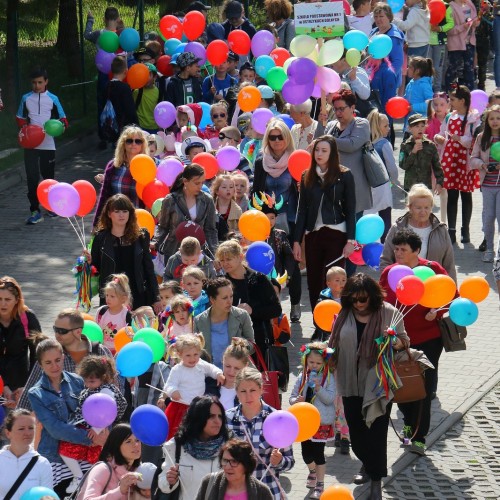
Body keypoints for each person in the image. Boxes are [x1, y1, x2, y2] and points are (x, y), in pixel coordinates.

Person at [328, 274, 409, 499]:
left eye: (362, 299)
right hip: (349, 383)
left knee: (376, 434)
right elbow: (333, 342)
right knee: (357, 433)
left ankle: (375, 481)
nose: (358, 303)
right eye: (353, 299)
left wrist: (393, 340)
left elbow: (404, 342)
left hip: (378, 385)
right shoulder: (344, 314)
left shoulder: (389, 313)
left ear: (372, 297)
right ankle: (367, 463)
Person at [380, 228, 452, 455]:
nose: (398, 253)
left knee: (424, 387)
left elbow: (451, 297)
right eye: (396, 248)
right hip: (399, 341)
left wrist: (437, 311)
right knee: (401, 384)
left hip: (428, 339)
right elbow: (380, 302)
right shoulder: (390, 272)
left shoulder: (432, 270)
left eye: (403, 249)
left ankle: (419, 437)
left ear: (417, 251)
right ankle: (409, 423)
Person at [27, 338, 109, 496]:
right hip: (56, 457)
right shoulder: (36, 394)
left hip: (85, 454)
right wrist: (90, 437)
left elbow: (97, 407)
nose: (54, 366)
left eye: (58, 360)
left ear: (63, 357)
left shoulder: (77, 380)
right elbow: (55, 428)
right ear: (40, 364)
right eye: (48, 362)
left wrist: (102, 432)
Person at [293, 135, 357, 308]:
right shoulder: (307, 175)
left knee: (334, 280)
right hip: (313, 234)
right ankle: (318, 323)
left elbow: (351, 209)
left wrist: (351, 240)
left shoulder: (344, 175)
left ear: (332, 153)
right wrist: (297, 241)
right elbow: (302, 210)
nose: (319, 154)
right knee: (314, 280)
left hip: (336, 233)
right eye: (317, 150)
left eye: (324, 150)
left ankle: (334, 321)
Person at [17, 309, 114, 412]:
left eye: (62, 331)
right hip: (61, 423)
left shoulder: (100, 351)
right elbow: (29, 390)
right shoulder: (50, 354)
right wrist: (16, 420)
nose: (57, 335)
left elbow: (115, 386)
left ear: (78, 332)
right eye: (55, 329)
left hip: (98, 420)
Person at [59, 355, 128, 494]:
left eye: (94, 379)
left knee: (100, 459)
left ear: (103, 377)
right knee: (64, 450)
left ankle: (96, 482)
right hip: (85, 427)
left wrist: (97, 428)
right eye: (87, 379)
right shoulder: (86, 391)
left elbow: (107, 411)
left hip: (100, 429)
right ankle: (79, 476)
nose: (89, 382)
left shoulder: (107, 390)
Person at [226, 367, 295, 500]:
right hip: (235, 493)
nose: (248, 396)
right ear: (236, 392)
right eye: (243, 391)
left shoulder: (276, 419)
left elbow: (290, 462)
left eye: (252, 390)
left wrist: (279, 461)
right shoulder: (228, 418)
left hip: (267, 491)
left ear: (261, 389)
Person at [90, 194, 161, 311]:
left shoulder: (141, 236)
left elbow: (148, 268)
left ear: (130, 213)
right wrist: (87, 262)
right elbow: (95, 269)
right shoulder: (100, 238)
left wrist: (156, 297)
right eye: (117, 211)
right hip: (111, 296)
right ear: (109, 214)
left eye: (125, 211)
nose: (121, 215)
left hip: (137, 294)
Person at [16, 66, 68, 225]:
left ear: (46, 82)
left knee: (48, 178)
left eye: (40, 82)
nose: (36, 86)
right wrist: (23, 130)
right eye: (33, 83)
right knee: (32, 178)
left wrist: (58, 127)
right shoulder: (26, 98)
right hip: (30, 145)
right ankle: (35, 210)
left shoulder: (53, 99)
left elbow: (64, 121)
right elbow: (20, 118)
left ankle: (50, 206)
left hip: (48, 144)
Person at [316, 89, 372, 228]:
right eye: (335, 109)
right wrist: (320, 123)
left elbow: (352, 145)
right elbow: (318, 143)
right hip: (331, 188)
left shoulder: (361, 124)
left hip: (354, 188)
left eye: (342, 109)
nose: (338, 113)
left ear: (352, 107)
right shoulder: (330, 125)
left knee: (353, 234)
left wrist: (328, 139)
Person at [216, 240, 281, 356]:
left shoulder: (259, 279)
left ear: (240, 257)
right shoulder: (220, 283)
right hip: (230, 342)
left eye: (229, 259)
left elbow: (276, 309)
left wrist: (252, 311)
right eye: (222, 260)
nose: (225, 263)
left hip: (258, 341)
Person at [158, 396, 231, 499]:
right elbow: (163, 485)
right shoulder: (176, 445)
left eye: (220, 416)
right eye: (211, 416)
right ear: (198, 418)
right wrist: (170, 480)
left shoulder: (229, 445)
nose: (217, 421)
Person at [380, 184, 456, 280]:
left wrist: (452, 290)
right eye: (418, 208)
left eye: (427, 207)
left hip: (433, 287)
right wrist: (389, 284)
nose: (423, 212)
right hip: (402, 286)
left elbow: (449, 264)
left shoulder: (441, 229)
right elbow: (386, 260)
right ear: (410, 207)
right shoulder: (397, 228)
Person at [289, 343, 336, 499]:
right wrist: (297, 400)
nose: (314, 365)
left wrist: (318, 389)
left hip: (320, 422)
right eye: (311, 362)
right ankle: (312, 472)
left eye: (318, 363)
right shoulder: (303, 376)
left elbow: (330, 399)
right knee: (306, 454)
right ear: (305, 361)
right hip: (304, 421)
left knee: (318, 454)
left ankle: (320, 484)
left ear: (324, 363)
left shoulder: (328, 378)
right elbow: (292, 396)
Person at [434, 85, 480, 244]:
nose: (450, 102)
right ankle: (451, 229)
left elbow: (474, 140)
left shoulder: (474, 118)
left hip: (464, 161)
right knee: (452, 194)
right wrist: (439, 138)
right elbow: (441, 132)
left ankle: (465, 229)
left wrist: (459, 139)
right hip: (451, 160)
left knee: (466, 195)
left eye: (452, 99)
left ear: (462, 101)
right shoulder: (450, 117)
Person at [163, 334, 224, 439]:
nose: (192, 358)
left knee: (196, 433)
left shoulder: (201, 364)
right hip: (181, 406)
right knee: (178, 433)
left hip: (198, 408)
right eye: (188, 355)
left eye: (195, 354)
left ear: (200, 352)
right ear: (180, 354)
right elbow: (169, 384)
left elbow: (211, 369)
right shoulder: (178, 369)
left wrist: (218, 374)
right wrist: (173, 391)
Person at [153, 164, 218, 262]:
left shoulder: (207, 200)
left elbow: (210, 230)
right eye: (196, 183)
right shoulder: (171, 200)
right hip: (174, 251)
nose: (200, 186)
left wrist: (215, 254)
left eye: (202, 183)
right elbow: (163, 227)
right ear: (185, 181)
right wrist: (155, 242)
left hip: (197, 253)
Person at [93, 126, 148, 226]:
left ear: (142, 144)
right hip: (114, 222)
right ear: (123, 143)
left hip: (137, 221)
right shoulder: (113, 166)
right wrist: (96, 224)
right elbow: (104, 196)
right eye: (129, 141)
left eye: (138, 141)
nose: (133, 144)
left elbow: (150, 199)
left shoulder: (147, 166)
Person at [194, 277, 255, 368]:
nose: (229, 301)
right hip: (210, 374)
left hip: (238, 373)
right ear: (212, 299)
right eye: (224, 298)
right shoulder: (199, 321)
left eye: (231, 296)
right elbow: (195, 351)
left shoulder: (242, 315)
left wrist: (243, 344)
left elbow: (252, 346)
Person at [260, 194, 302, 322]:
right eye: (265, 218)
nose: (269, 221)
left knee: (295, 274)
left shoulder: (279, 234)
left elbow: (289, 257)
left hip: (279, 270)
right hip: (261, 272)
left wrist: (287, 275)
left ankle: (295, 304)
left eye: (272, 217)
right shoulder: (253, 235)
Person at [0, 276, 40, 408]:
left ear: (17, 300)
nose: (3, 304)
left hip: (21, 383)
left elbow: (37, 355)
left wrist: (28, 386)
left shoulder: (28, 318)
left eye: (7, 299)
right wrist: (2, 386)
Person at [252, 119, 298, 234]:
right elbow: (256, 191)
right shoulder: (260, 161)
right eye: (272, 137)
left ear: (287, 137)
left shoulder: (295, 159)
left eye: (280, 136)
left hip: (291, 218)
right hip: (266, 219)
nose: (277, 140)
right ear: (267, 139)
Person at [75, 424, 142, 498]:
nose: (135, 444)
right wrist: (120, 491)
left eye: (137, 440)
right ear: (116, 446)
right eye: (128, 441)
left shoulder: (141, 471)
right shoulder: (103, 469)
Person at [0, 409, 53, 499]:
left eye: (31, 428)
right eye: (21, 429)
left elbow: (48, 496)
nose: (27, 433)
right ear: (8, 433)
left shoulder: (42, 463)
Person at [470, 104, 500, 263]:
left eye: (498, 118)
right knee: (488, 217)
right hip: (487, 185)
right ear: (487, 121)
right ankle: (489, 248)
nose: (495, 121)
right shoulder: (482, 137)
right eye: (492, 118)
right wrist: (482, 165)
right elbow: (472, 158)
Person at [196, 439, 274, 499]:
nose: (227, 466)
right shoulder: (209, 482)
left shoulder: (262, 492)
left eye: (234, 461)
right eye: (225, 460)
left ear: (246, 464)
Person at [366, 110, 398, 242]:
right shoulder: (384, 144)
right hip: (383, 185)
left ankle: (367, 244)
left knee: (368, 217)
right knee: (385, 216)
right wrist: (393, 181)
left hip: (368, 187)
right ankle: (386, 245)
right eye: (385, 126)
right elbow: (392, 167)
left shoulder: (365, 144)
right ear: (376, 127)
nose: (389, 129)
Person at [399, 114, 444, 193]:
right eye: (416, 126)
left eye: (422, 126)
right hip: (410, 187)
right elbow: (403, 165)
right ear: (410, 128)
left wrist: (439, 182)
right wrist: (413, 152)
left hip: (426, 187)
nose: (420, 129)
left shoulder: (430, 145)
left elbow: (437, 165)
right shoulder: (405, 145)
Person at [426, 91, 450, 222]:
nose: (438, 107)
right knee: (429, 192)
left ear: (448, 105)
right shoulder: (428, 122)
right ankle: (427, 221)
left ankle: (444, 222)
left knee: (444, 193)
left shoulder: (451, 119)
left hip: (447, 162)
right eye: (435, 105)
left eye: (442, 104)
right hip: (431, 163)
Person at [445, 0, 479, 91]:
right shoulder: (450, 7)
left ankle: (469, 94)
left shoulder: (470, 4)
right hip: (456, 45)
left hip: (470, 43)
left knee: (469, 70)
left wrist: (475, 23)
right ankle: (451, 93)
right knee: (453, 71)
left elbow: (476, 20)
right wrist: (463, 26)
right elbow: (449, 30)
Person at [95, 273, 133, 353]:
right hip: (102, 350)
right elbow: (96, 329)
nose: (108, 298)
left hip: (119, 352)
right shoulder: (102, 311)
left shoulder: (126, 315)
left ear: (123, 299)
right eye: (107, 295)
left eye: (112, 296)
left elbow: (129, 336)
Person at [370, 3, 405, 88]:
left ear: (389, 17)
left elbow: (397, 61)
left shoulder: (394, 36)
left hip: (386, 83)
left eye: (381, 16)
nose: (378, 19)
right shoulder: (374, 31)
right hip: (373, 78)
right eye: (376, 16)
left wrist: (388, 79)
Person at [213, 338, 251, 409]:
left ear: (246, 366)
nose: (231, 372)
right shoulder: (210, 384)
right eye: (228, 366)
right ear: (222, 361)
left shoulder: (250, 391)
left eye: (237, 368)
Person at [312, 266, 347, 342]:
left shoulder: (348, 298)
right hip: (326, 335)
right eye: (337, 280)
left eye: (344, 280)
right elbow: (316, 320)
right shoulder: (323, 300)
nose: (341, 283)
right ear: (328, 283)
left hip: (345, 332)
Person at [107, 57, 139, 134]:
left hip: (110, 124)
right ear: (126, 71)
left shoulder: (106, 86)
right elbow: (130, 110)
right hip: (123, 126)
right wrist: (136, 125)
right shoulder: (124, 88)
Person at [429, 2, 455, 92]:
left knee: (438, 68)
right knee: (427, 68)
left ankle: (437, 91)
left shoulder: (446, 6)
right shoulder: (424, 4)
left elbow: (451, 23)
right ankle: (428, 90)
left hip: (440, 43)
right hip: (425, 42)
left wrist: (440, 28)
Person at [404, 57, 435, 124]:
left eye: (409, 67)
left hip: (421, 122)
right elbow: (406, 99)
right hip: (409, 122)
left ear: (418, 71)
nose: (407, 69)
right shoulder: (410, 83)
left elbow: (430, 104)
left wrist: (413, 107)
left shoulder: (424, 85)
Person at [133, 63, 160, 133]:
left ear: (155, 77)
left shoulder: (159, 91)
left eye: (149, 75)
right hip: (140, 127)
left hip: (154, 127)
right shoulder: (136, 91)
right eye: (143, 75)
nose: (145, 77)